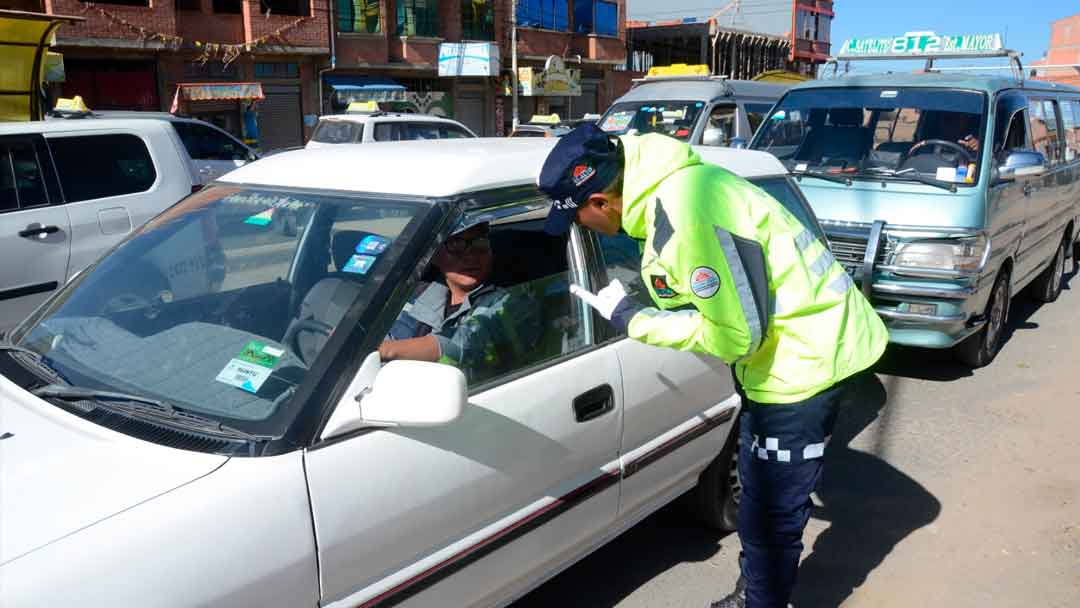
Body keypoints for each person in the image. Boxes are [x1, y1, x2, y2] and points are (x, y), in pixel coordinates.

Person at [537, 124, 889, 608]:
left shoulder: (686, 213)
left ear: (601, 201)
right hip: (797, 347)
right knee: (761, 495)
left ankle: (763, 602)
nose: (580, 227)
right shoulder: (673, 185)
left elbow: (737, 336)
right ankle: (758, 592)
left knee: (770, 509)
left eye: (577, 218)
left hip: (802, 364)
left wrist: (636, 321)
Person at [378, 221, 541, 384]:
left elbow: (466, 342)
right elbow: (389, 332)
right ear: (434, 255)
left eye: (480, 243)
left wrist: (384, 351)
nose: (471, 256)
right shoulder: (419, 294)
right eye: (456, 245)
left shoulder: (512, 300)